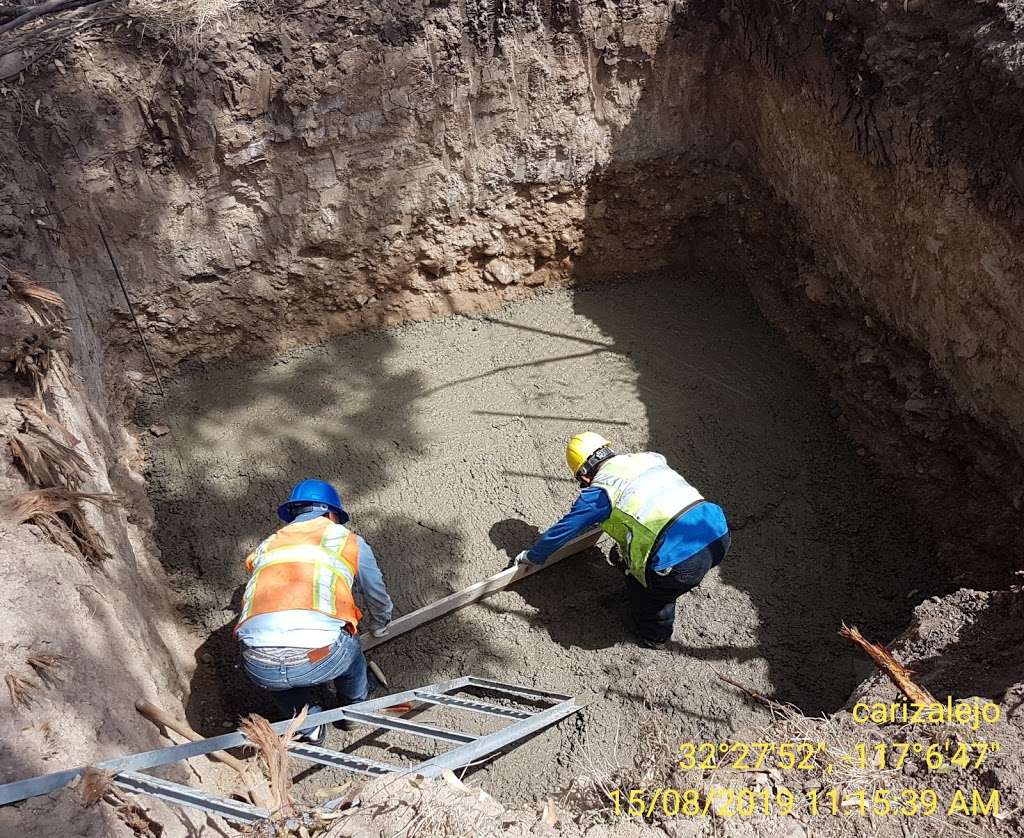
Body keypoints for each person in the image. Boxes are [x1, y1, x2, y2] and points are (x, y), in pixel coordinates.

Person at [513, 432, 730, 649]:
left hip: (678, 563)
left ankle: (653, 637)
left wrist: (533, 556)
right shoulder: (649, 458)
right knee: (626, 555)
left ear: (584, 476)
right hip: (717, 532)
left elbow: (564, 530)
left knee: (651, 594)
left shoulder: (600, 493)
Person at [235, 479, 393, 744]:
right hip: (320, 659)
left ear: (294, 515)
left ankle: (309, 726)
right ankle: (353, 710)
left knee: (277, 680)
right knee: (352, 655)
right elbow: (375, 591)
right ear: (331, 514)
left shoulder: (266, 545)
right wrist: (380, 624)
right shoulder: (347, 540)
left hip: (259, 666)